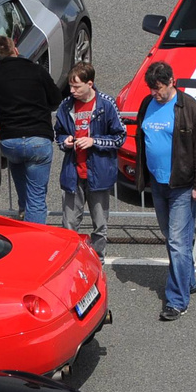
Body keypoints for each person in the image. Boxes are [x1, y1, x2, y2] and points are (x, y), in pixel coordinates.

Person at [134, 62, 196, 321]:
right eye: (152, 89)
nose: (155, 93)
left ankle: (176, 300)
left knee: (178, 243)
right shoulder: (147, 105)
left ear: (171, 82)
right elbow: (141, 139)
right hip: (158, 183)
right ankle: (187, 280)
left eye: (159, 89)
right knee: (172, 239)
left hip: (181, 186)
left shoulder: (189, 108)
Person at [0, 36, 62, 225]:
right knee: (36, 198)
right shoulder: (35, 70)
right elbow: (55, 98)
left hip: (10, 140)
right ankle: (33, 242)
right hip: (38, 137)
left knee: (24, 191)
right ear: (16, 50)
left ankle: (22, 217)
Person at [53, 64, 126, 257]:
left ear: (90, 84)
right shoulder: (66, 105)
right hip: (72, 174)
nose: (72, 91)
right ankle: (69, 261)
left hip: (99, 175)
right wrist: (65, 141)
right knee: (69, 225)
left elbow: (120, 137)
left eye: (76, 87)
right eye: (70, 86)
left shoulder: (106, 104)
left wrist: (94, 141)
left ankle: (98, 261)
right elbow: (58, 133)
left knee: (100, 225)